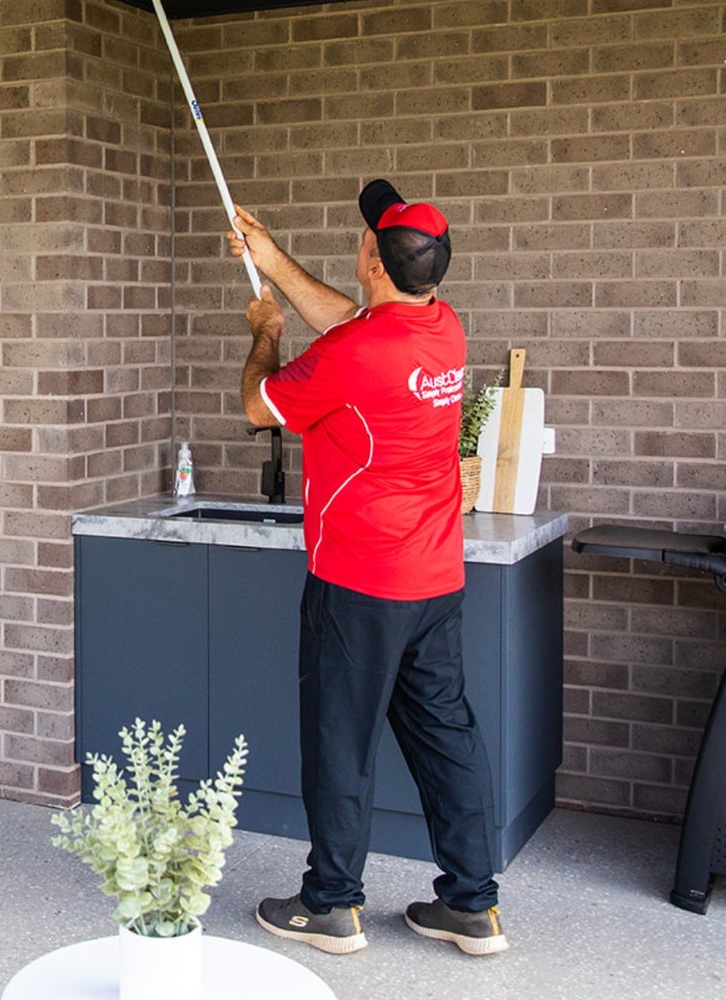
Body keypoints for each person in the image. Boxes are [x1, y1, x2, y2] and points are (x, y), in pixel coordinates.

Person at [229, 179, 507, 957]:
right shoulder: (442, 328)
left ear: (374, 263)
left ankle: (331, 905)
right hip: (434, 581)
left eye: (367, 237)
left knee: (340, 745)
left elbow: (259, 406)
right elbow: (351, 319)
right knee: (447, 739)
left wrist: (265, 332)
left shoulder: (351, 354)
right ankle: (473, 906)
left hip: (358, 583)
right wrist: (271, 258)